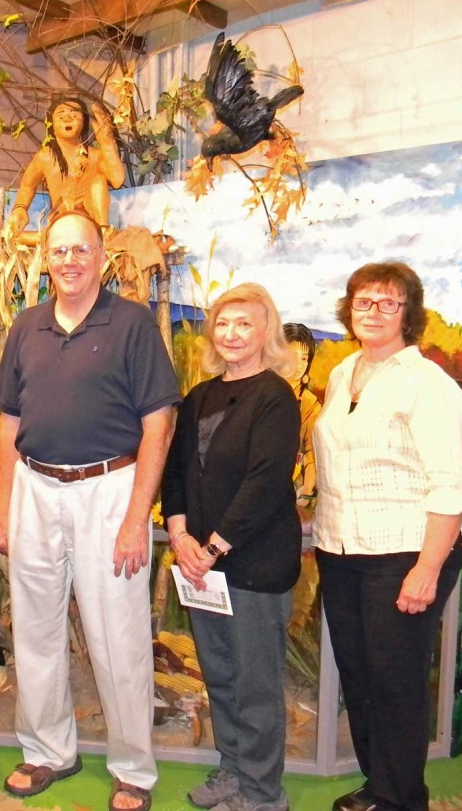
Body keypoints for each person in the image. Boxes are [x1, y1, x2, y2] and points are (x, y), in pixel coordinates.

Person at [0, 209, 180, 811]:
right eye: (59, 251)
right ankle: (48, 750)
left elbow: (160, 424)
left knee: (118, 635)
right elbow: (7, 422)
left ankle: (132, 769)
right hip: (35, 488)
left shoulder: (131, 324)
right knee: (36, 629)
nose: (70, 261)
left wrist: (135, 517)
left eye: (81, 250)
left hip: (109, 491)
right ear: (47, 259)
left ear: (102, 258)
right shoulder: (26, 326)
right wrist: (2, 504)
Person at [313, 261, 462, 811]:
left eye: (389, 302)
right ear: (349, 308)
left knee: (395, 682)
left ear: (409, 313)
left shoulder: (427, 382)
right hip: (342, 551)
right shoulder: (343, 374)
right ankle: (379, 785)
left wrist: (426, 569)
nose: (375, 312)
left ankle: (403, 799)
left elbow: (451, 487)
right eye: (365, 301)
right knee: (359, 678)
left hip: (406, 552)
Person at [162, 284, 301, 811]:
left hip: (253, 567)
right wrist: (180, 537)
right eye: (223, 323)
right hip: (201, 567)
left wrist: (212, 548)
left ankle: (264, 794)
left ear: (266, 331)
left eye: (245, 323)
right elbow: (176, 472)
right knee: (220, 676)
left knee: (257, 685)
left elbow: (265, 482)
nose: (232, 334)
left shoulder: (275, 396)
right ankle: (234, 771)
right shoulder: (200, 395)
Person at [8, 95, 125, 237]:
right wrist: (20, 208)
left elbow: (117, 180)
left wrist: (107, 143)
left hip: (90, 224)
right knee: (13, 237)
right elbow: (27, 186)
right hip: (61, 221)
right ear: (51, 124)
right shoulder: (45, 157)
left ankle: (102, 233)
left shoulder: (95, 155)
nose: (68, 118)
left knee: (98, 181)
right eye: (61, 116)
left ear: (84, 124)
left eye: (74, 115)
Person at [282, 322, 322, 507]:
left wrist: (306, 490)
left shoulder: (309, 404)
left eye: (304, 358)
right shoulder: (257, 394)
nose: (299, 365)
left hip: (289, 491)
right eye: (292, 356)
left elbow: (311, 452)